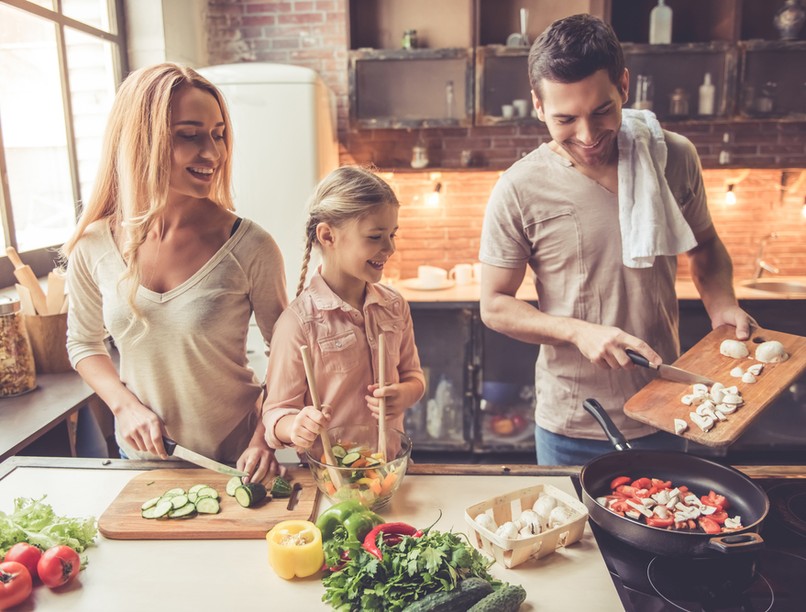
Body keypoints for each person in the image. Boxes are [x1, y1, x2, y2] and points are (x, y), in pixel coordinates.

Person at [478, 14, 754, 466]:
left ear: (624, 85)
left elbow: (703, 244)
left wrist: (721, 305)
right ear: (538, 106)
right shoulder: (519, 187)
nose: (588, 136)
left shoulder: (673, 156)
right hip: (571, 420)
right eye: (566, 118)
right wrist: (576, 331)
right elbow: (494, 304)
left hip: (667, 407)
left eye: (602, 110)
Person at [63, 63, 287, 483]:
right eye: (190, 136)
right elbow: (83, 344)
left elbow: (288, 355)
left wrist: (264, 438)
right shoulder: (93, 244)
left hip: (238, 459)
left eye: (219, 134)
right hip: (143, 459)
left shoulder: (251, 245)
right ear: (141, 141)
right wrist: (124, 406)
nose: (214, 153)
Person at [262, 166, 425, 452]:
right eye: (375, 237)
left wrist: (404, 394)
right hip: (332, 478)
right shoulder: (297, 324)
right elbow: (275, 413)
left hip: (390, 468)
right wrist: (295, 426)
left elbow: (415, 377)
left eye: (392, 235)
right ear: (328, 237)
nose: (389, 248)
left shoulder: (395, 306)